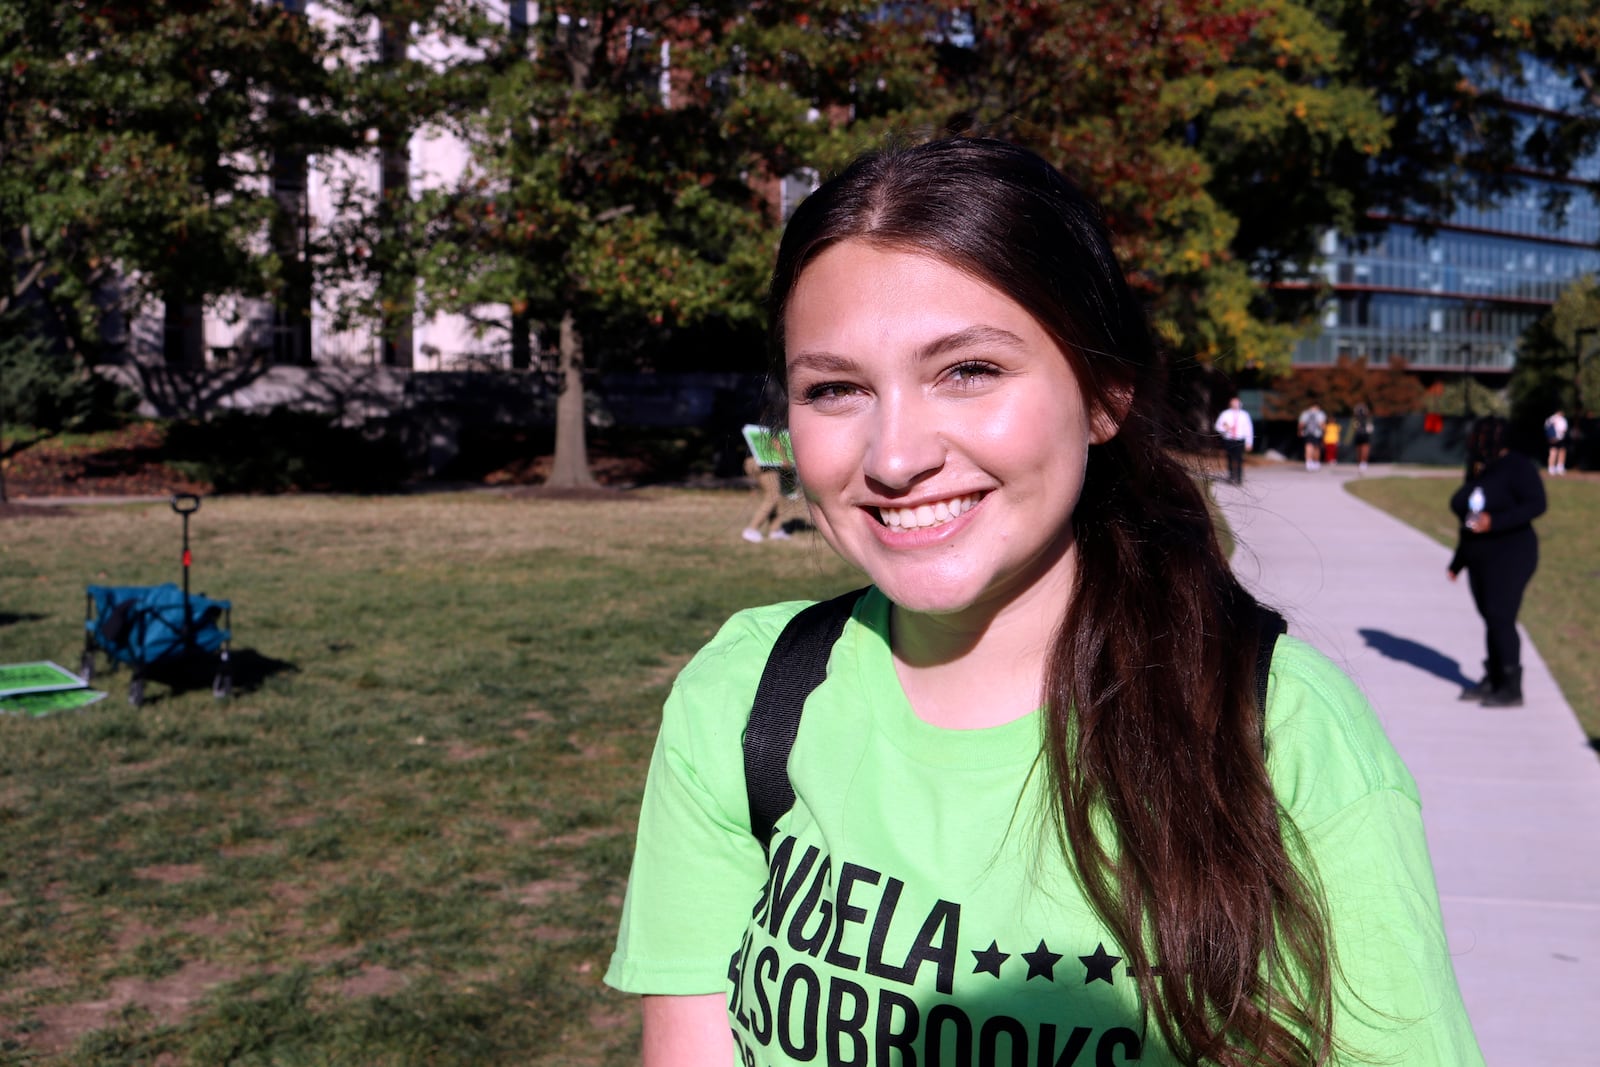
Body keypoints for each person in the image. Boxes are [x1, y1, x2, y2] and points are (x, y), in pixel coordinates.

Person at [607, 138, 1481, 1067]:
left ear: (1104, 394)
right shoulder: (745, 697)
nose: (895, 456)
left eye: (969, 370)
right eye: (835, 388)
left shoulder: (1277, 731)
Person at [1449, 416, 1547, 707]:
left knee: (1501, 618)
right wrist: (1458, 561)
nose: (1476, 442)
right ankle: (1493, 678)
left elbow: (1537, 504)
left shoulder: (1518, 466)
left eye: (1481, 437)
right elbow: (1467, 519)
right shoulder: (1481, 468)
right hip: (1480, 558)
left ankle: (1511, 687)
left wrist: (1495, 522)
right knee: (1492, 620)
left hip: (1512, 556)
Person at [740, 424, 794, 543]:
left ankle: (775, 530)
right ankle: (751, 529)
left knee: (778, 497)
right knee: (773, 496)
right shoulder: (778, 412)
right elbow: (774, 437)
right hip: (763, 462)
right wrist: (785, 459)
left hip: (758, 461)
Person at [1213, 396, 1253, 485]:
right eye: (1233, 402)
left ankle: (1238, 478)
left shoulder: (1244, 415)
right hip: (1229, 439)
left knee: (1239, 458)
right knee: (1230, 458)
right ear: (1230, 404)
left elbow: (1248, 429)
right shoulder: (1225, 414)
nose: (1235, 404)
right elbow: (1217, 426)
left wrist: (1249, 442)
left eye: (1237, 402)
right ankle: (1231, 476)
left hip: (1240, 440)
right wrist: (1224, 429)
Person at [1297, 401, 1326, 470]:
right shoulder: (1320, 413)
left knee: (1308, 446)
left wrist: (1299, 431)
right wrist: (1324, 431)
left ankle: (1309, 462)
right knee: (1316, 448)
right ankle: (1315, 462)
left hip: (1308, 433)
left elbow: (1301, 424)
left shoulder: (1306, 413)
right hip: (1317, 433)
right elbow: (1321, 424)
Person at [1351, 401, 1375, 473]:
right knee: (1364, 448)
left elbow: (1354, 426)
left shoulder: (1357, 418)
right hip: (1364, 434)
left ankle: (1361, 463)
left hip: (1359, 434)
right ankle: (1363, 463)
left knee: (1360, 449)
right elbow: (1370, 428)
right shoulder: (1366, 418)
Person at [1544, 408, 1568, 475]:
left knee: (1560, 451)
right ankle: (1553, 467)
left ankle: (1557, 467)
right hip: (1556, 438)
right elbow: (1563, 430)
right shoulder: (1556, 419)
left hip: (1557, 438)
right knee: (1554, 452)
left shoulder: (1557, 419)